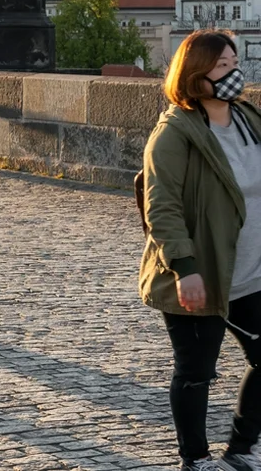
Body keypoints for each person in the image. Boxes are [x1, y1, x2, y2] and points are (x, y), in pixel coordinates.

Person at [141, 30, 261, 471]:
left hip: (252, 270)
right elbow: (161, 207)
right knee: (196, 372)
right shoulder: (175, 133)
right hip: (202, 271)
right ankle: (195, 459)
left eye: (235, 63)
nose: (234, 74)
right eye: (223, 67)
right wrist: (184, 267)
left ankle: (243, 449)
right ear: (196, 74)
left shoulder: (249, 118)